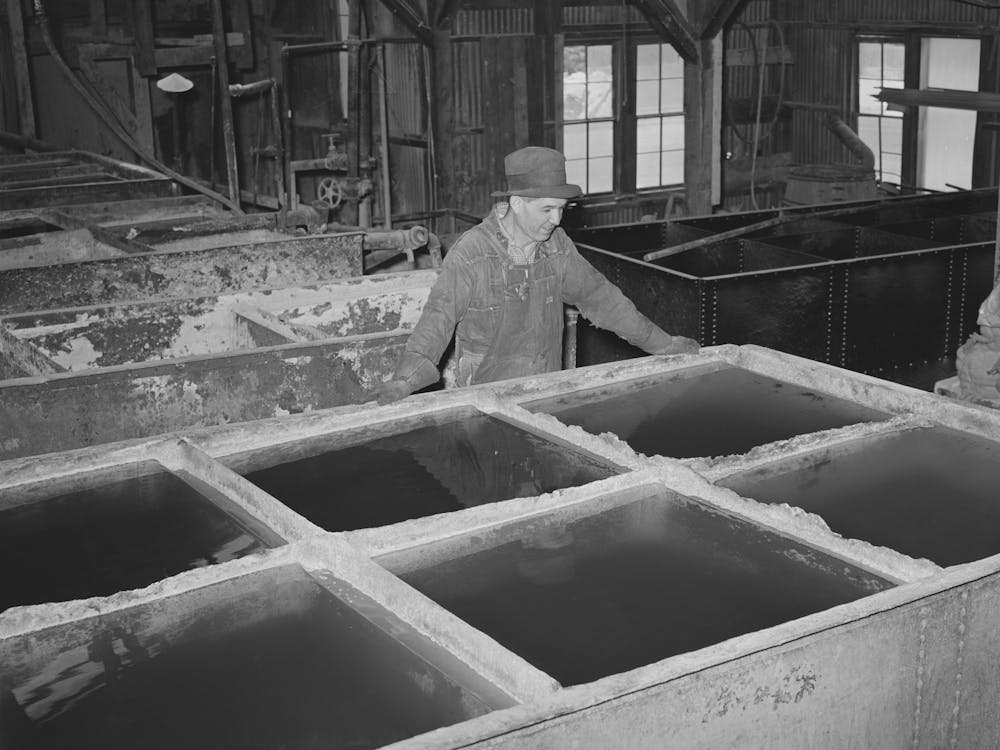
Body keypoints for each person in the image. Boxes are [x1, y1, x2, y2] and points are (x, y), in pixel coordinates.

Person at [373, 146, 698, 404]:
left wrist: (663, 344)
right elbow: (437, 319)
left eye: (561, 209)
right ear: (516, 203)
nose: (556, 219)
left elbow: (603, 299)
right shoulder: (472, 254)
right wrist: (405, 380)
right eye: (547, 209)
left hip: (545, 393)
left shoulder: (556, 247)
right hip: (486, 402)